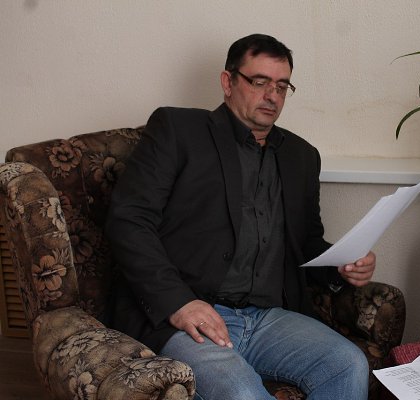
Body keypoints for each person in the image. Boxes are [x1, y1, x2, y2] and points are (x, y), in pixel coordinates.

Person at [106, 33, 376, 400]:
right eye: (260, 81)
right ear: (228, 82)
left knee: (348, 363)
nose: (272, 95)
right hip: (190, 314)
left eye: (281, 86)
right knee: (241, 391)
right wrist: (178, 303)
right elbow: (129, 221)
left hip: (269, 318)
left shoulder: (301, 156)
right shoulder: (178, 129)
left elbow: (307, 243)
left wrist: (343, 265)